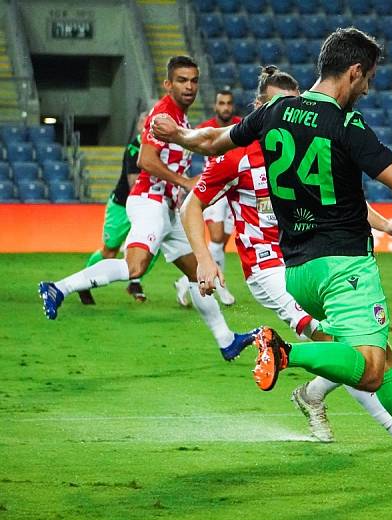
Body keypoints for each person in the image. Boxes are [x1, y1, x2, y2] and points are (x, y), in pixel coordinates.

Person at [152, 29, 392, 481]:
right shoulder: (347, 124)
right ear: (354, 71)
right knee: (367, 369)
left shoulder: (274, 112)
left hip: (298, 272)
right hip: (345, 266)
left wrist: (179, 134)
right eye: (368, 80)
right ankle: (285, 353)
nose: (367, 89)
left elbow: (211, 143)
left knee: (384, 359)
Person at [180, 65, 392, 444]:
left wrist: (384, 225)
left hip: (308, 258)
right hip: (268, 268)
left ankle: (315, 396)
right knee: (340, 347)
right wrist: (205, 259)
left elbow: (337, 200)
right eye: (275, 105)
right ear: (260, 107)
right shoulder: (236, 155)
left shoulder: (304, 137)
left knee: (367, 346)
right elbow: (192, 204)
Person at [38, 56, 257, 361]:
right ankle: (58, 288)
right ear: (168, 84)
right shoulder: (163, 114)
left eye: (194, 80)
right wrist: (184, 181)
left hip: (168, 209)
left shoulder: (180, 117)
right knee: (134, 267)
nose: (189, 86)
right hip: (149, 201)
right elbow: (145, 160)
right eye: (182, 80)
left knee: (198, 274)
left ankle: (227, 340)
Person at [77, 112, 159, 305]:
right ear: (140, 126)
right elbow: (133, 184)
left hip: (146, 206)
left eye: (152, 123)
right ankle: (83, 282)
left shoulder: (159, 148)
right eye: (145, 123)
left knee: (151, 247)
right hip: (122, 206)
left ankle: (135, 282)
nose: (148, 127)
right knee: (110, 251)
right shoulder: (134, 148)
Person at [175, 89, 241, 307]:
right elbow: (184, 152)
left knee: (221, 242)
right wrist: (185, 179)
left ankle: (186, 281)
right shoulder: (206, 128)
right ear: (215, 106)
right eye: (221, 103)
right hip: (214, 190)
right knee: (216, 237)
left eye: (228, 103)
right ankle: (218, 286)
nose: (225, 107)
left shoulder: (242, 126)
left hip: (236, 190)